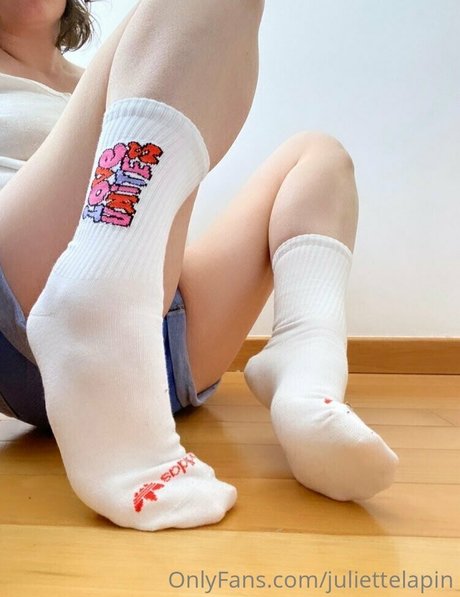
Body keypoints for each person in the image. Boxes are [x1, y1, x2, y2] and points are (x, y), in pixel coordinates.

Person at [0, 0, 398, 532]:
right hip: (18, 307)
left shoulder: (131, 64)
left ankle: (305, 377)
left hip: (161, 346)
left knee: (320, 158)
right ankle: (94, 305)